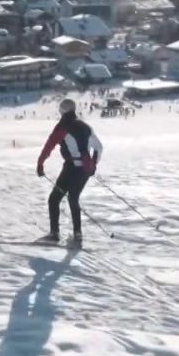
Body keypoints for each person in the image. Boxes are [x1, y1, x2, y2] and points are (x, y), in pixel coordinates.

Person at [36, 98, 103, 246]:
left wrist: (40, 163)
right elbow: (99, 147)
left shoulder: (62, 127)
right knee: (73, 198)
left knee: (54, 199)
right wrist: (93, 165)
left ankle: (55, 233)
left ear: (62, 111)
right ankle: (77, 234)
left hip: (71, 168)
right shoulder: (86, 127)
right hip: (84, 169)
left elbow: (49, 146)